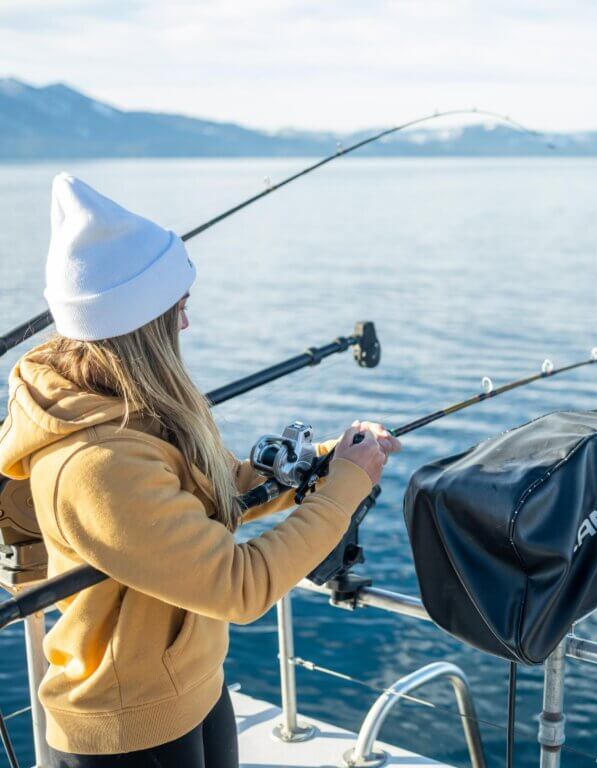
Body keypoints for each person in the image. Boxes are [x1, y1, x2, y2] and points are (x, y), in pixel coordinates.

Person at [0, 174, 400, 767]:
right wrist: (345, 489)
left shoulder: (124, 408)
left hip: (191, 691)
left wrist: (318, 466)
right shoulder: (97, 464)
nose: (185, 327)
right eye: (177, 312)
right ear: (141, 325)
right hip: (128, 731)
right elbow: (241, 587)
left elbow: (199, 499)